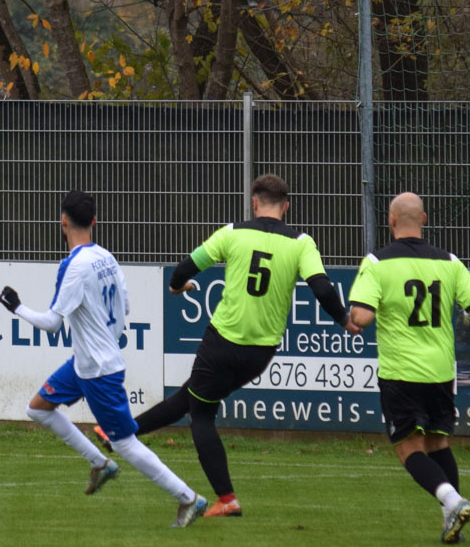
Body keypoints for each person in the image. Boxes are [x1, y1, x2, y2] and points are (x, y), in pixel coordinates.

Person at [129, 174, 351, 518]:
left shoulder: (232, 233)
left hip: (223, 341)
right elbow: (322, 288)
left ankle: (227, 499)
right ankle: (121, 433)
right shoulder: (302, 242)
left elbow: (186, 267)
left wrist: (176, 286)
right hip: (260, 352)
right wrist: (345, 320)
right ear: (286, 206)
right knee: (192, 396)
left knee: (201, 413)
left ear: (254, 202)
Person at [0, 190, 208, 528]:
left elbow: (52, 324)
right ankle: (99, 463)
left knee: (124, 443)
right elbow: (125, 308)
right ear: (94, 221)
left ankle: (188, 498)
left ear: (63, 221)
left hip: (97, 370)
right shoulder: (107, 257)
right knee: (37, 408)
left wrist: (17, 307)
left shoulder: (73, 266)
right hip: (86, 363)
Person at [346, 191, 470, 544]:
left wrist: (356, 314)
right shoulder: (449, 262)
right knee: (437, 442)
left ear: (391, 221)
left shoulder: (377, 262)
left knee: (408, 449)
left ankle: (453, 501)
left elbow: (362, 317)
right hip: (440, 373)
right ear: (424, 220)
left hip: (401, 373)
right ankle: (452, 522)